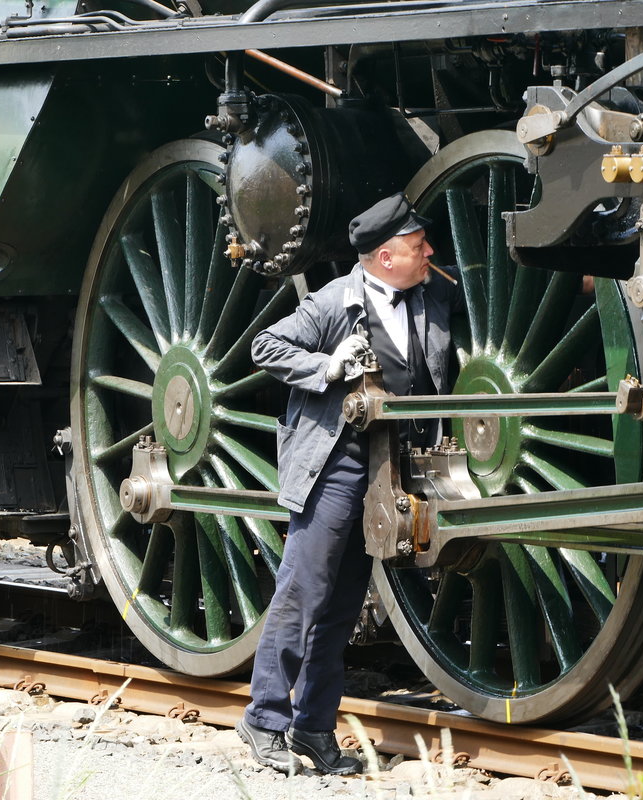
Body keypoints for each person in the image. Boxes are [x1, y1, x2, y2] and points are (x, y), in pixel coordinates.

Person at [238, 192, 457, 775]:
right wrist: (327, 367)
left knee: (341, 604)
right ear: (385, 257)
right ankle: (263, 720)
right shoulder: (335, 300)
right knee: (303, 589)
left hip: (389, 467)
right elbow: (267, 347)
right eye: (417, 247)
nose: (429, 252)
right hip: (335, 464)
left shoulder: (431, 295)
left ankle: (313, 729)